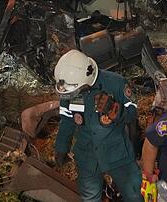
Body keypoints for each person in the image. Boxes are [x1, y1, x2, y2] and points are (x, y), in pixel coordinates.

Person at [54, 49, 141, 202]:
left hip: (117, 153)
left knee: (133, 195)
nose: (71, 94)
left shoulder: (116, 83)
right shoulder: (69, 87)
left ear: (85, 79)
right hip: (87, 155)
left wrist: (117, 110)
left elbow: (133, 112)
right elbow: (67, 120)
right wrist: (61, 147)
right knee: (90, 197)